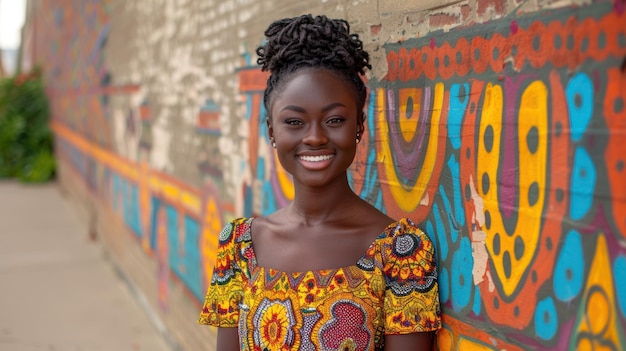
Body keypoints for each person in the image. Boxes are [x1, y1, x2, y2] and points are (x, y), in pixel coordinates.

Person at [198, 14, 441, 351]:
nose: (314, 137)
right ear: (272, 131)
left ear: (359, 126)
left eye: (334, 120)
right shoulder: (239, 246)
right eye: (295, 121)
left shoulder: (400, 253)